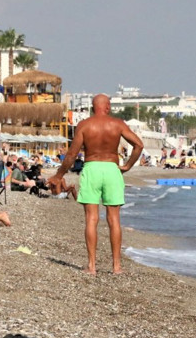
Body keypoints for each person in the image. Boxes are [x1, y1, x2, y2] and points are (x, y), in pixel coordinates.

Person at [47, 94, 143, 275]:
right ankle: (116, 267)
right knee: (114, 219)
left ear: (93, 108)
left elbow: (71, 155)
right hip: (112, 169)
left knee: (91, 219)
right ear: (108, 107)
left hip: (92, 168)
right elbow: (139, 144)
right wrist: (128, 166)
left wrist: (59, 175)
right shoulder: (118, 124)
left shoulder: (84, 125)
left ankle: (91, 266)